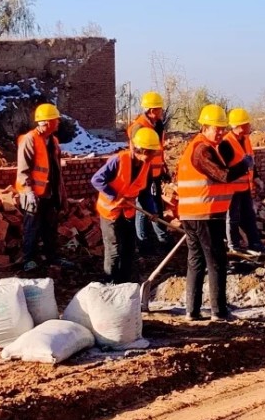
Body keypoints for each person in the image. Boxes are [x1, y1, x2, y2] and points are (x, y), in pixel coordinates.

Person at [177, 104, 253, 321]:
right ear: (204, 127)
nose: (220, 132)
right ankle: (219, 311)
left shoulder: (207, 147)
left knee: (197, 261)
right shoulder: (202, 150)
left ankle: (192, 311)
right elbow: (223, 175)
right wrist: (244, 165)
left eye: (222, 128)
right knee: (216, 261)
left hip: (196, 214)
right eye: (216, 128)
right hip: (205, 214)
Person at [91, 128, 161, 283]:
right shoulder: (119, 160)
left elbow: (144, 192)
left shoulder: (146, 165)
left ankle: (125, 284)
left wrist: (152, 211)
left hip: (128, 212)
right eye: (150, 152)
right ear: (141, 150)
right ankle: (110, 284)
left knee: (129, 250)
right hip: (110, 212)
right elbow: (96, 180)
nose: (153, 156)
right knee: (114, 250)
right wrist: (115, 196)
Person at [16, 103, 68, 272]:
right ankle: (28, 259)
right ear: (47, 122)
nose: (58, 123)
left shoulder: (53, 141)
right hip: (33, 193)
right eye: (55, 120)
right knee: (32, 226)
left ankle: (51, 257)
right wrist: (28, 191)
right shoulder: (29, 140)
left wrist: (61, 194)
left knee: (50, 228)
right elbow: (23, 170)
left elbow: (55, 170)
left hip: (50, 193)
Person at [220, 108, 265, 255]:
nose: (249, 126)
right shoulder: (226, 143)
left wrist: (257, 177)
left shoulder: (246, 139)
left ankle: (255, 243)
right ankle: (233, 245)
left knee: (249, 216)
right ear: (239, 126)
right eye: (246, 124)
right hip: (232, 189)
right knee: (232, 218)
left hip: (245, 187)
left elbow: (251, 161)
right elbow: (225, 170)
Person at [127, 91, 170, 255]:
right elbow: (136, 153)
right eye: (159, 109)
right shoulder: (139, 126)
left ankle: (160, 237)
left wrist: (163, 167)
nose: (161, 112)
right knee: (144, 206)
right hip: (144, 172)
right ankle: (144, 242)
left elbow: (158, 150)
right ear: (152, 110)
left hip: (155, 172)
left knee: (156, 205)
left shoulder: (157, 125)